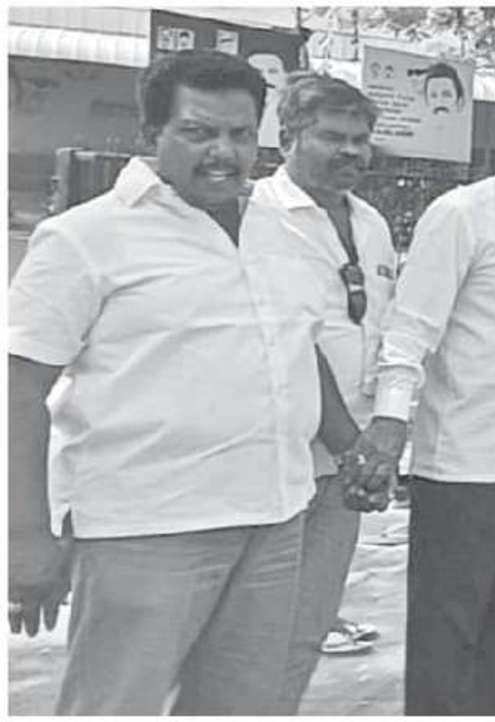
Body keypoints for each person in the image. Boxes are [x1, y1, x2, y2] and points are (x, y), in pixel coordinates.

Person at [8, 49, 357, 714]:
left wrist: (351, 447)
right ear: (152, 134)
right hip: (148, 529)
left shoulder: (281, 232)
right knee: (116, 706)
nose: (223, 152)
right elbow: (20, 389)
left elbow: (294, 346)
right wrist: (24, 536)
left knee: (244, 707)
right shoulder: (85, 238)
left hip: (275, 518)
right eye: (198, 132)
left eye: (239, 134)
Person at [346, 88, 495, 716]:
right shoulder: (461, 215)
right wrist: (390, 422)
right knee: (449, 629)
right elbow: (410, 329)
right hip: (468, 464)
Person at [255, 71, 396, 706]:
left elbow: (385, 332)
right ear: (287, 136)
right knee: (254, 628)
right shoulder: (257, 214)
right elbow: (292, 343)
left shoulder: (370, 222)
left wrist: (378, 441)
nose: (351, 152)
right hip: (281, 456)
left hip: (348, 462)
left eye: (361, 140)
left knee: (309, 623)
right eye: (333, 137)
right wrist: (354, 449)